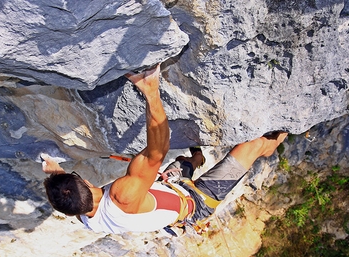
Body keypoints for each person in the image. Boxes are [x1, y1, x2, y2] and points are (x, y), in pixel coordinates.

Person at [42, 64, 287, 234]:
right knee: (252, 146)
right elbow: (157, 149)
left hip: (172, 185)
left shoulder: (85, 217)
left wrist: (56, 173)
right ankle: (281, 136)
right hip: (196, 203)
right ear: (83, 180)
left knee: (185, 161)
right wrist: (151, 92)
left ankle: (198, 158)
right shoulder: (121, 194)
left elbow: (71, 200)